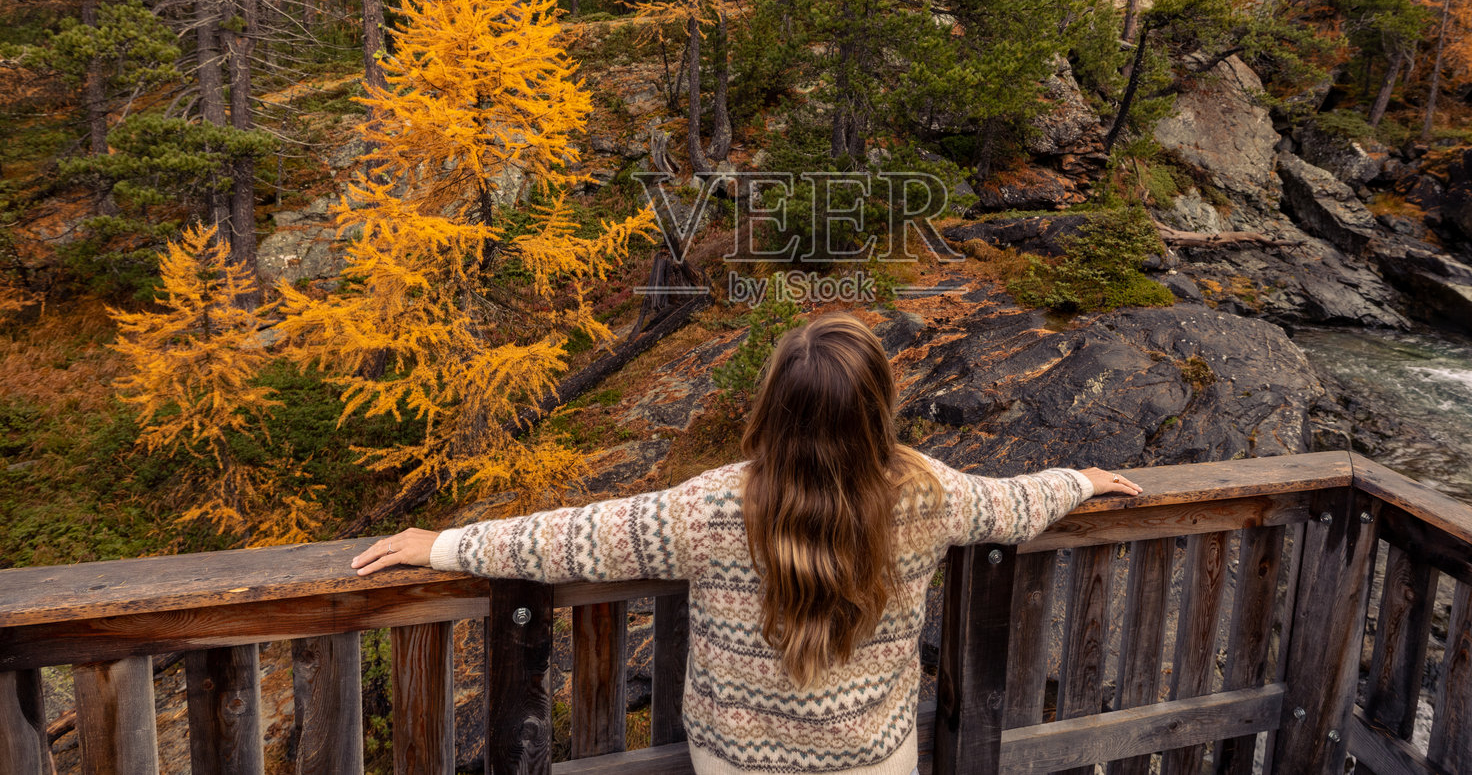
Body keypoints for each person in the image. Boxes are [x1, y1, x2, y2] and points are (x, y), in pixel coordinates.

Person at [353, 312, 1142, 774]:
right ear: (878, 410)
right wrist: (1081, 479)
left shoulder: (711, 506)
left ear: (771, 406)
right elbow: (1015, 504)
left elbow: (569, 539)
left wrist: (445, 543)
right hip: (875, 758)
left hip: (740, 763)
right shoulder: (930, 493)